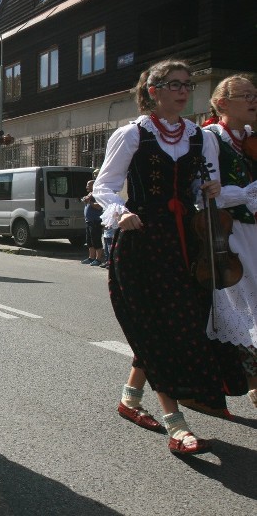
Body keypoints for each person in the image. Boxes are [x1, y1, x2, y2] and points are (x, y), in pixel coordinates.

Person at [93, 59, 246, 456]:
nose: (183, 90)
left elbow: (201, 188)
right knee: (160, 325)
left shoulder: (201, 137)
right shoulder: (132, 135)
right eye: (174, 84)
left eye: (187, 85)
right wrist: (120, 213)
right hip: (143, 240)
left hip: (186, 243)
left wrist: (209, 189)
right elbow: (104, 186)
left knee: (177, 323)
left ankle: (130, 399)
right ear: (153, 90)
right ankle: (175, 422)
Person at [201, 74, 257, 409]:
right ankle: (252, 383)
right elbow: (208, 191)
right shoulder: (211, 137)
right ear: (222, 102)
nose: (253, 100)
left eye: (256, 94)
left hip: (253, 231)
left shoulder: (251, 137)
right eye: (246, 95)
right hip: (230, 234)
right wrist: (248, 194)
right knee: (242, 309)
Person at [80, 179, 104, 266]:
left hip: (95, 221)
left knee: (96, 240)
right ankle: (91, 257)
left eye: (88, 185)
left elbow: (99, 207)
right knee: (89, 241)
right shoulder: (90, 194)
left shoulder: (98, 195)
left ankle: (98, 259)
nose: (86, 187)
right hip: (89, 221)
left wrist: (89, 202)